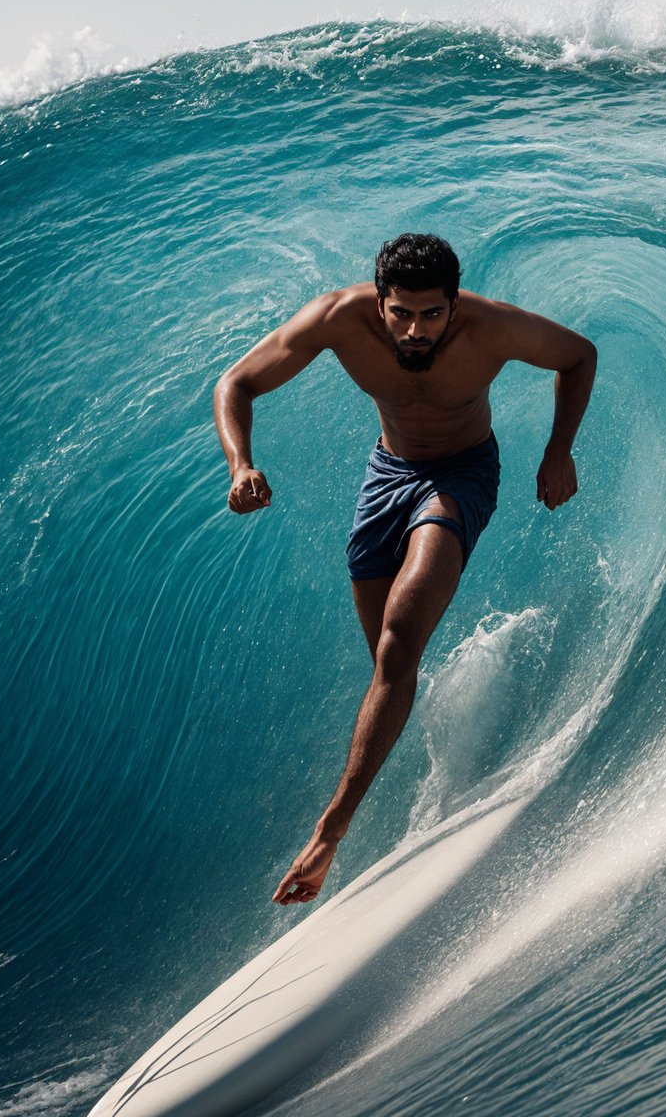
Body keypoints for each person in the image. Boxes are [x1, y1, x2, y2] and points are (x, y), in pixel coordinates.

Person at [213, 233, 597, 905]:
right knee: (392, 664)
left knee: (400, 635)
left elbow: (578, 356)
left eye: (431, 315)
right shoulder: (337, 319)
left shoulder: (492, 328)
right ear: (380, 301)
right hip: (387, 477)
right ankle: (443, 735)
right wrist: (240, 464)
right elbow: (236, 382)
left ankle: (331, 832)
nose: (415, 330)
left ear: (453, 305)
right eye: (401, 314)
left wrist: (558, 450)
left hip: (463, 475)